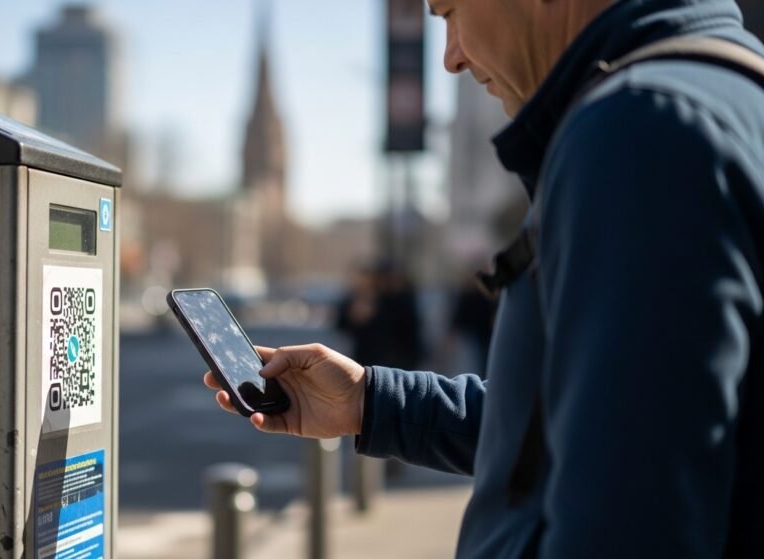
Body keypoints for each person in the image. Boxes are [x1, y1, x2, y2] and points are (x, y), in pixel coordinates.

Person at [203, 0, 764, 556]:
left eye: (449, 13)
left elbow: (627, 526)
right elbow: (595, 432)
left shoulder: (640, 135)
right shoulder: (722, 91)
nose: (451, 58)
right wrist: (372, 404)